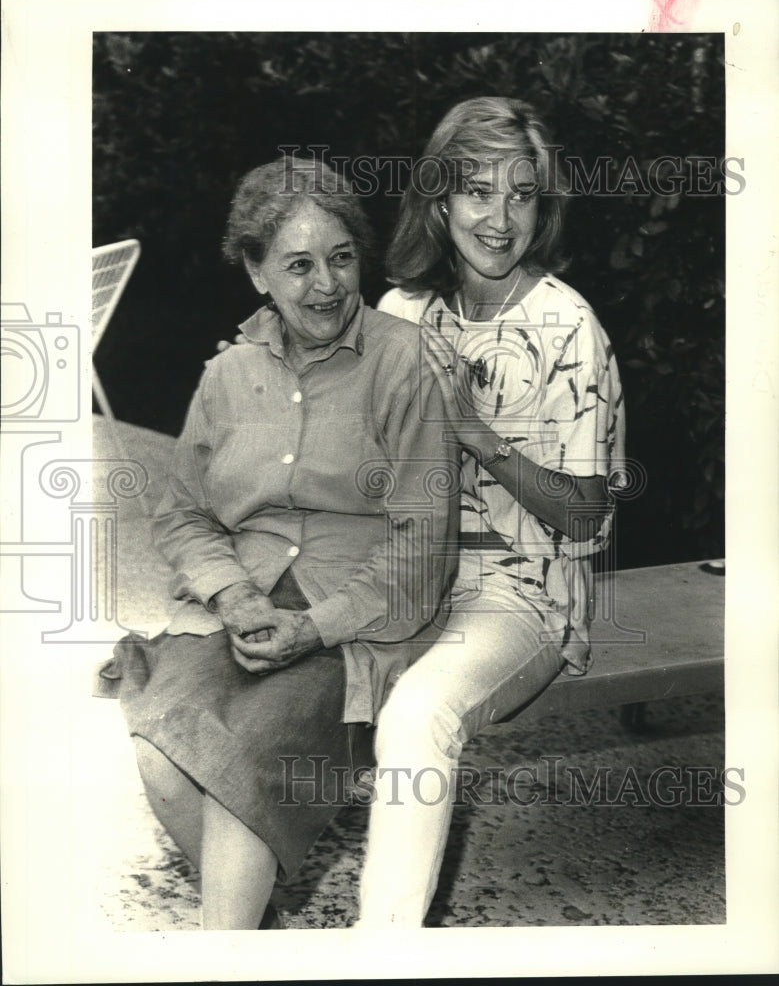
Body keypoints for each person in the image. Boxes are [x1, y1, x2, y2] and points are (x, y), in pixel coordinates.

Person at [98, 157, 459, 930]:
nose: (325, 284)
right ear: (258, 274)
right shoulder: (228, 374)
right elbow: (181, 512)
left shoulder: (405, 364)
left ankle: (226, 948)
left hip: (356, 612)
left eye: (340, 258)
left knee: (245, 764)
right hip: (245, 601)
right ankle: (253, 930)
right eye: (297, 265)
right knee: (161, 752)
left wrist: (312, 628)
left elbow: (424, 539)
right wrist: (232, 594)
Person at [355, 96, 626, 927]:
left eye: (521, 194)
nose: (499, 218)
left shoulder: (567, 327)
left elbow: (583, 518)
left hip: (520, 594)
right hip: (410, 573)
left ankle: (380, 952)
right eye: (478, 191)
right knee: (249, 677)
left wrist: (474, 433)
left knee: (417, 713)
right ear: (439, 200)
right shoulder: (402, 311)